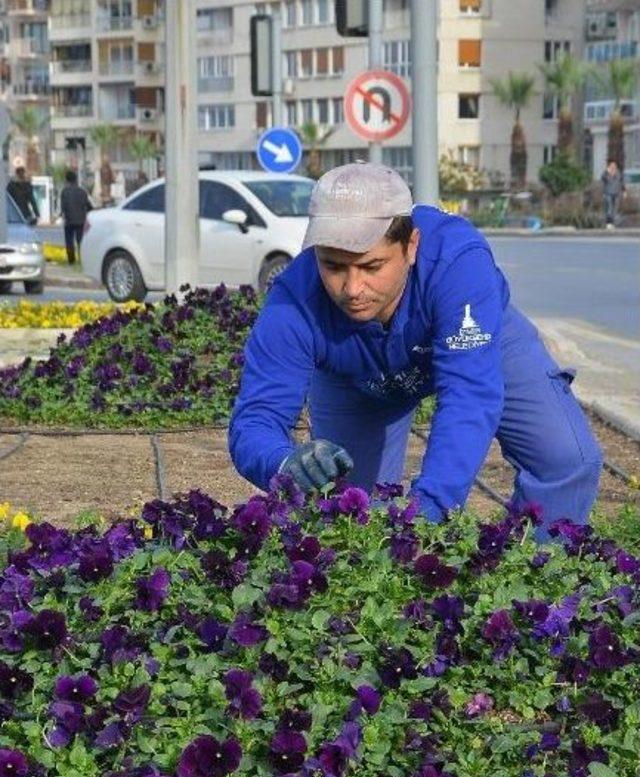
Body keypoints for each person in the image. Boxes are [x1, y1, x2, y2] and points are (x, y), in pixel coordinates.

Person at [229, 162, 603, 538]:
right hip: (354, 377)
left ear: (410, 246)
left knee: (564, 458)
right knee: (353, 512)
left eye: (371, 265)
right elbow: (255, 420)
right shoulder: (294, 300)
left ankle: (535, 575)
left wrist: (430, 509)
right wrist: (283, 462)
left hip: (476, 340)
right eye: (334, 266)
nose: (352, 288)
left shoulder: (457, 260)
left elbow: (469, 396)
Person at [59, 169, 92, 265]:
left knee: (69, 241)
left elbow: (63, 206)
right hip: (81, 220)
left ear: (66, 180)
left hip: (69, 220)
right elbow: (89, 206)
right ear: (76, 179)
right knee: (80, 241)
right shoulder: (82, 192)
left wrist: (62, 215)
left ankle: (71, 260)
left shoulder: (64, 192)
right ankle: (82, 260)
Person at [601, 159, 624, 229]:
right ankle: (608, 223)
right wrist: (608, 173)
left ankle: (613, 223)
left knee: (615, 209)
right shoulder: (605, 173)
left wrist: (624, 191)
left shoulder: (619, 173)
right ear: (609, 166)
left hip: (616, 193)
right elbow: (605, 179)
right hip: (608, 193)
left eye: (614, 165)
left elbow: (622, 183)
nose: (613, 166)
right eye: (611, 165)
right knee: (609, 208)